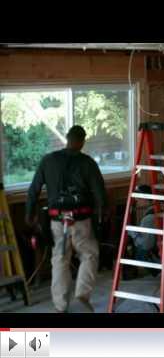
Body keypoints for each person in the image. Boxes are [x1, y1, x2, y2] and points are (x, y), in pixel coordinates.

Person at [25, 125, 107, 313]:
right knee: (89, 255)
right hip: (81, 220)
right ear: (82, 141)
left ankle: (60, 306)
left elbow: (33, 189)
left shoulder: (48, 160)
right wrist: (102, 217)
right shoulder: (87, 163)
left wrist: (29, 214)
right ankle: (82, 296)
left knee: (59, 260)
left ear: (67, 139)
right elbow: (100, 194)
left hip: (56, 221)